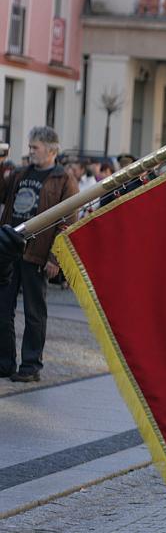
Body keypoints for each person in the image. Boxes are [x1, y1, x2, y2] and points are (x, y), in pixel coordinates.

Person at [0, 126, 79, 382]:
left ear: (51, 150)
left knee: (35, 313)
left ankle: (31, 365)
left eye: (35, 147)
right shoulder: (21, 173)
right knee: (3, 309)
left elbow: (67, 222)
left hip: (37, 253)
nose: (31, 151)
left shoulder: (64, 179)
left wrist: (55, 258)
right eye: (30, 146)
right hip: (10, 252)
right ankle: (5, 362)